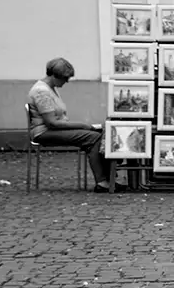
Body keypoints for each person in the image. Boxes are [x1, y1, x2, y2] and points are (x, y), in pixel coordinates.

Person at [27, 57, 120, 192]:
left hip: (51, 129)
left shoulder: (49, 88)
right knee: (93, 138)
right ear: (54, 76)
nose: (66, 81)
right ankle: (102, 181)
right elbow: (52, 123)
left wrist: (82, 126)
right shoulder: (42, 92)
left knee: (100, 134)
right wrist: (82, 125)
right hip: (44, 132)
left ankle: (110, 179)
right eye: (65, 78)